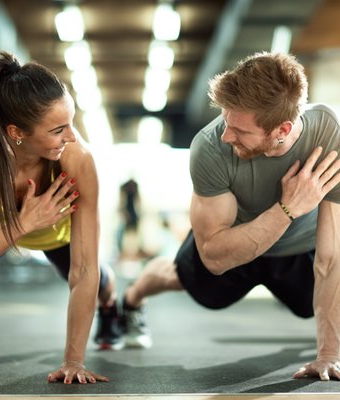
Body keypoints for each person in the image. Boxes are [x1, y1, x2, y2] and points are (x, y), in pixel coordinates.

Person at [121, 51, 340, 381]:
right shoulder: (209, 147)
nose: (226, 135)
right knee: (180, 278)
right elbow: (214, 258)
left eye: (239, 130)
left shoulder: (330, 135)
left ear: (282, 129)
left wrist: (329, 355)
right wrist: (288, 208)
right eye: (225, 121)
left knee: (314, 300)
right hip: (232, 242)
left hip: (297, 249)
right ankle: (132, 298)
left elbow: (331, 259)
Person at [0, 51, 123, 385]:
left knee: (98, 282)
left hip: (57, 232)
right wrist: (22, 224)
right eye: (57, 129)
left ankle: (113, 307)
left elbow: (83, 271)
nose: (71, 136)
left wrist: (73, 360)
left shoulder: (78, 159)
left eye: (72, 121)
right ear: (16, 131)